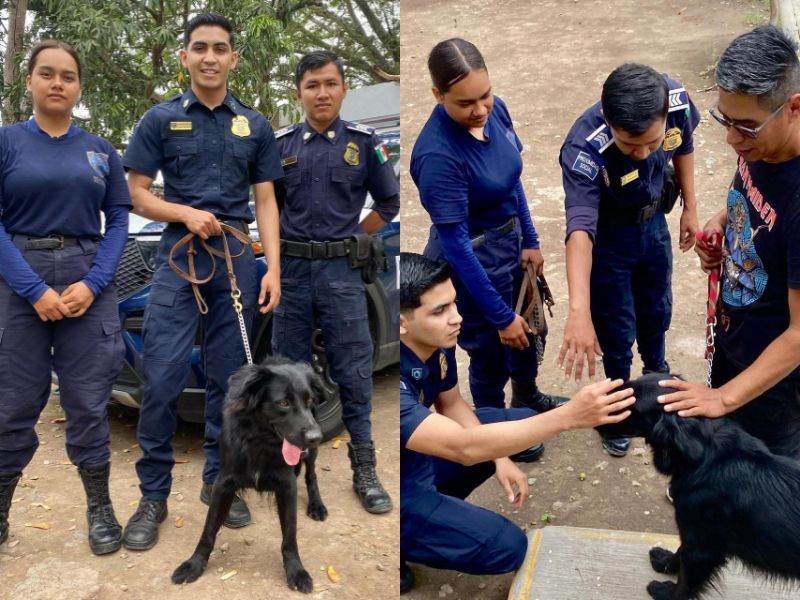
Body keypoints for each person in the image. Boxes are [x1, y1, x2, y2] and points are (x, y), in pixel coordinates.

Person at [121, 13, 282, 550]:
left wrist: (273, 268)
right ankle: (153, 496)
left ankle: (220, 482)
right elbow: (137, 193)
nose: (210, 57)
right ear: (185, 57)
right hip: (180, 257)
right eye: (200, 48)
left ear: (234, 59)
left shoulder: (254, 126)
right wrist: (186, 213)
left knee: (230, 383)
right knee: (162, 378)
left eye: (219, 48)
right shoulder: (160, 120)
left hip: (237, 257)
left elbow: (265, 201)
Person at [399, 252, 635, 594]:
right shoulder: (399, 385)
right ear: (402, 322)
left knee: (519, 426)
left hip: (420, 454)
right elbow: (463, 448)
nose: (456, 318)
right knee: (508, 547)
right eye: (439, 311)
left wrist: (499, 459)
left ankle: (433, 512)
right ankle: (406, 539)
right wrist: (569, 417)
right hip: (401, 480)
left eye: (453, 304)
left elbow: (451, 404)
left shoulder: (434, 340)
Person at [0, 40, 131, 555]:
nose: (58, 83)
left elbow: (118, 218)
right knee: (13, 404)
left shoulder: (99, 150)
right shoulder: (7, 144)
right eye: (48, 74)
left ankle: (99, 511)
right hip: (19, 280)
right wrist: (33, 290)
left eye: (69, 76)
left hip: (86, 280)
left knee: (87, 403)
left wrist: (94, 283)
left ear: (79, 87)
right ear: (29, 81)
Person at [659, 25, 800, 459]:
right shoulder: (764, 149)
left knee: (769, 478)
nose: (732, 139)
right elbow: (751, 199)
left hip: (773, 376)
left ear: (794, 107)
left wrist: (724, 398)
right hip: (735, 333)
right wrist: (724, 224)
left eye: (746, 127)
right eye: (725, 119)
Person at [272, 51, 399, 514]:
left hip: (343, 276)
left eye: (329, 83)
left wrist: (355, 236)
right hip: (292, 274)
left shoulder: (366, 144)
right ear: (299, 92)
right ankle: (289, 468)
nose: (321, 93)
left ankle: (364, 469)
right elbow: (269, 208)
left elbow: (388, 202)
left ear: (344, 89)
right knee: (288, 377)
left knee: (354, 371)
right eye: (312, 85)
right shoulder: (281, 145)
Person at [410, 38, 561, 414]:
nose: (480, 110)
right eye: (465, 103)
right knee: (491, 353)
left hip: (510, 246)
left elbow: (513, 178)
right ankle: (496, 429)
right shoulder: (438, 156)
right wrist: (499, 315)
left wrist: (530, 237)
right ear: (437, 95)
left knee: (528, 330)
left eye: (485, 96)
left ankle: (526, 396)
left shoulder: (496, 111)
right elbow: (457, 246)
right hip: (473, 264)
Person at [557, 63, 700, 457]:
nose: (641, 154)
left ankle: (660, 387)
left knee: (657, 313)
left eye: (651, 144)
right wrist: (578, 312)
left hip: (654, 224)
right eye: (629, 145)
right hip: (610, 239)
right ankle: (616, 409)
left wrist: (690, 206)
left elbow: (683, 143)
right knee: (616, 331)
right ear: (607, 118)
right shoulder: (584, 148)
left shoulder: (674, 100)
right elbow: (580, 230)